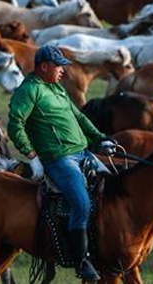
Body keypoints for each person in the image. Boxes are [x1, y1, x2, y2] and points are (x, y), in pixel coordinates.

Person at [7, 45, 116, 281]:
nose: (63, 72)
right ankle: (81, 260)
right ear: (44, 66)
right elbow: (15, 124)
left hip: (83, 153)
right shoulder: (28, 91)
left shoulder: (56, 88)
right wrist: (32, 156)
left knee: (114, 191)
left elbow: (79, 117)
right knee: (82, 203)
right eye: (59, 66)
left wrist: (100, 138)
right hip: (59, 158)